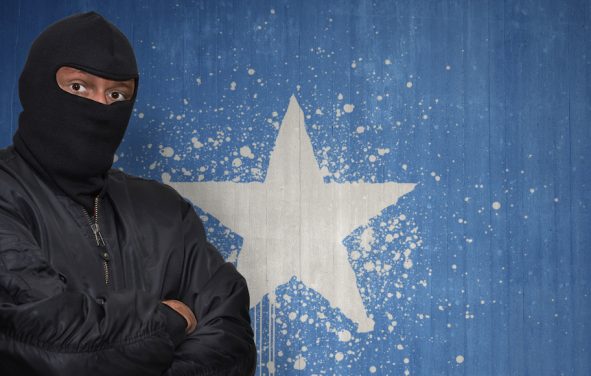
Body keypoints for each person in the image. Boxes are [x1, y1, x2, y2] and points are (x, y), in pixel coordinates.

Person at [0, 12, 256, 376]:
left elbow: (229, 339)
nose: (102, 106)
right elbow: (48, 341)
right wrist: (169, 320)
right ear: (36, 87)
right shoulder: (6, 193)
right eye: (78, 87)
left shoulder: (165, 211)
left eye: (117, 93)